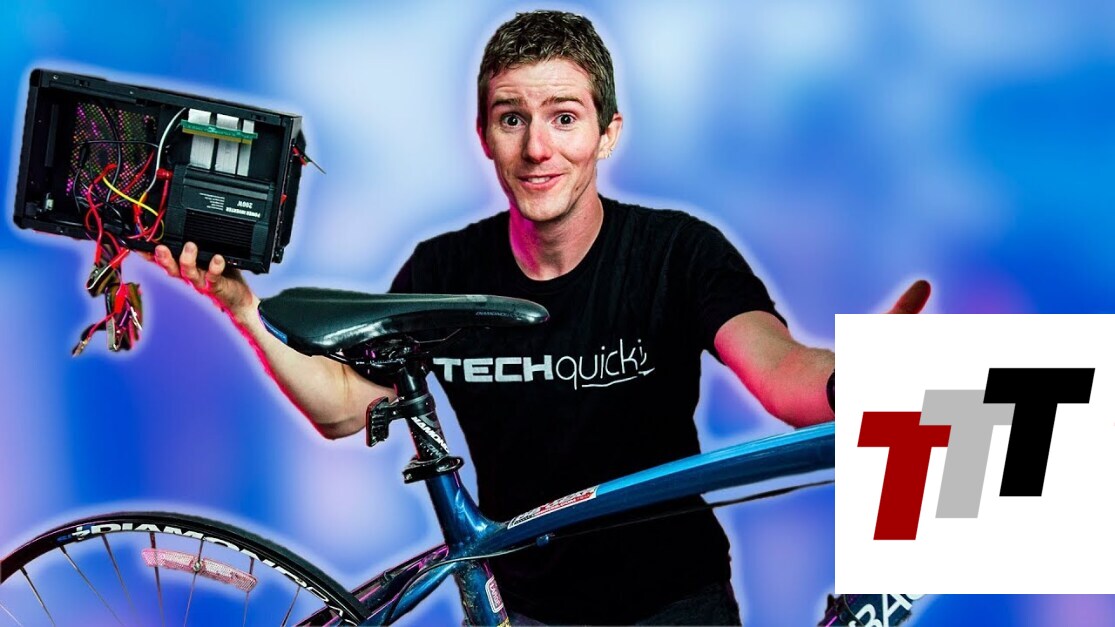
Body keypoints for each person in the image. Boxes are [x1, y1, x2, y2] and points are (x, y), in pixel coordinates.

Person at [153, 10, 927, 625]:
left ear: (606, 133)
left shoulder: (675, 252)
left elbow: (779, 368)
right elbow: (344, 407)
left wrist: (859, 378)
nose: (536, 148)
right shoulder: (443, 272)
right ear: (483, 136)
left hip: (674, 603)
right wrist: (243, 309)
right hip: (523, 608)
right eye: (510, 118)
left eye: (563, 117)